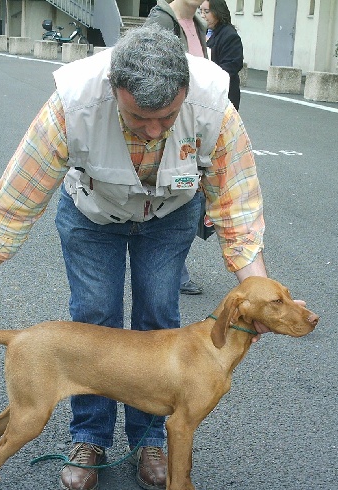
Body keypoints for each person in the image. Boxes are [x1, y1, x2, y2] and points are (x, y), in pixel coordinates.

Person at [0, 25, 271, 490]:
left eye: (167, 115)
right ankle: (90, 440)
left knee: (158, 319)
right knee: (93, 320)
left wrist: (259, 296)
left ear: (185, 89)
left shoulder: (214, 107)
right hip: (91, 214)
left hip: (170, 215)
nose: (155, 129)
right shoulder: (72, 104)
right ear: (113, 90)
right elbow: (17, 202)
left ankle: (150, 440)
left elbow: (239, 213)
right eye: (139, 116)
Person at [146, 0, 210, 296]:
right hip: (164, 120)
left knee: (186, 191)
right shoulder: (161, 19)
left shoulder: (199, 24)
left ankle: (172, 269)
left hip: (190, 121)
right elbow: (148, 85)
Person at [201, 0, 243, 109]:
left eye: (206, 12)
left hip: (223, 94)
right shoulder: (203, 31)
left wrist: (209, 75)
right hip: (205, 93)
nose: (202, 16)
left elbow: (232, 65)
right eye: (200, 11)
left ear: (217, 11)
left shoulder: (230, 35)